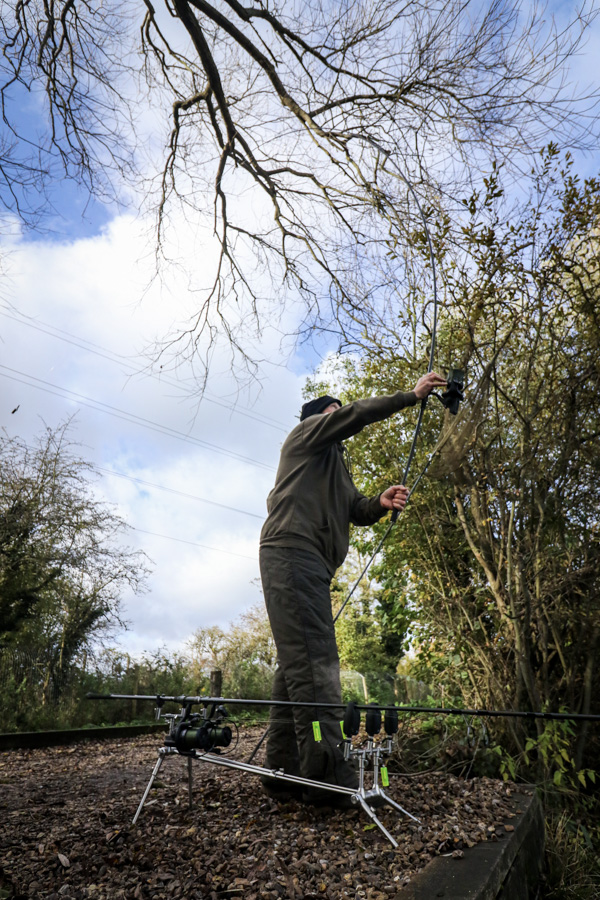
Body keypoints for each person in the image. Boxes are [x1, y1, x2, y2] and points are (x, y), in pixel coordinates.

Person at [259, 371, 447, 807]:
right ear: (315, 420)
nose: (339, 417)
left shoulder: (336, 468)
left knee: (296, 665)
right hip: (291, 551)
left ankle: (282, 770)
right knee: (318, 663)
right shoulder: (304, 437)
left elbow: (354, 509)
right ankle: (329, 781)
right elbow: (356, 416)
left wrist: (378, 504)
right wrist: (410, 397)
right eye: (333, 413)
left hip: (311, 565)